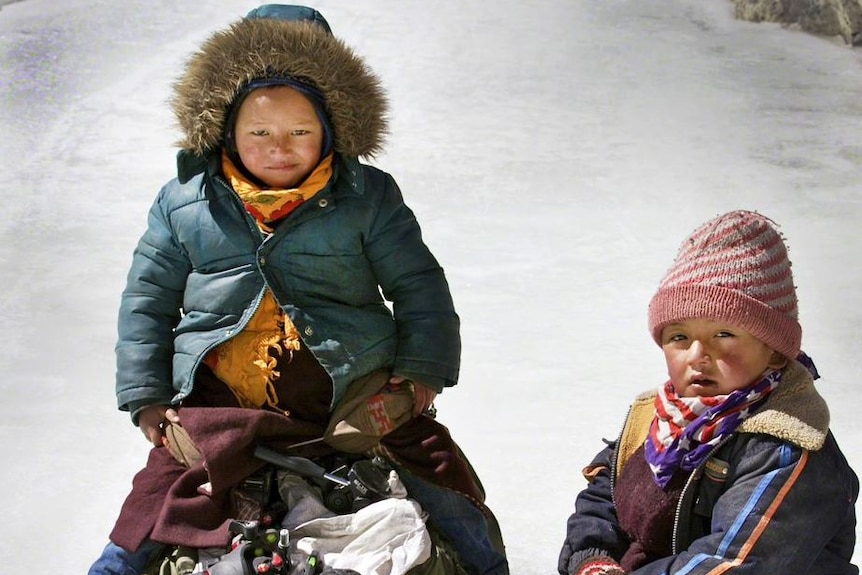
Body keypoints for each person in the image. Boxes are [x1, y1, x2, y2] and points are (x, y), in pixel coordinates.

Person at [89, 5, 507, 574]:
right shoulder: (185, 201)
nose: (279, 147)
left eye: (300, 131)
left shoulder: (367, 196)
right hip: (221, 406)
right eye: (259, 131)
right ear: (225, 128)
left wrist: (421, 372)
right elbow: (147, 301)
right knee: (143, 524)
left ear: (332, 127)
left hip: (353, 401)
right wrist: (148, 400)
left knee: (449, 493)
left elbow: (419, 284)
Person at [557, 210, 859, 575]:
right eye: (679, 337)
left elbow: (730, 565)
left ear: (775, 351)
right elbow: (604, 496)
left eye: (724, 335)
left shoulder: (784, 450)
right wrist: (593, 559)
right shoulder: (659, 418)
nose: (699, 356)